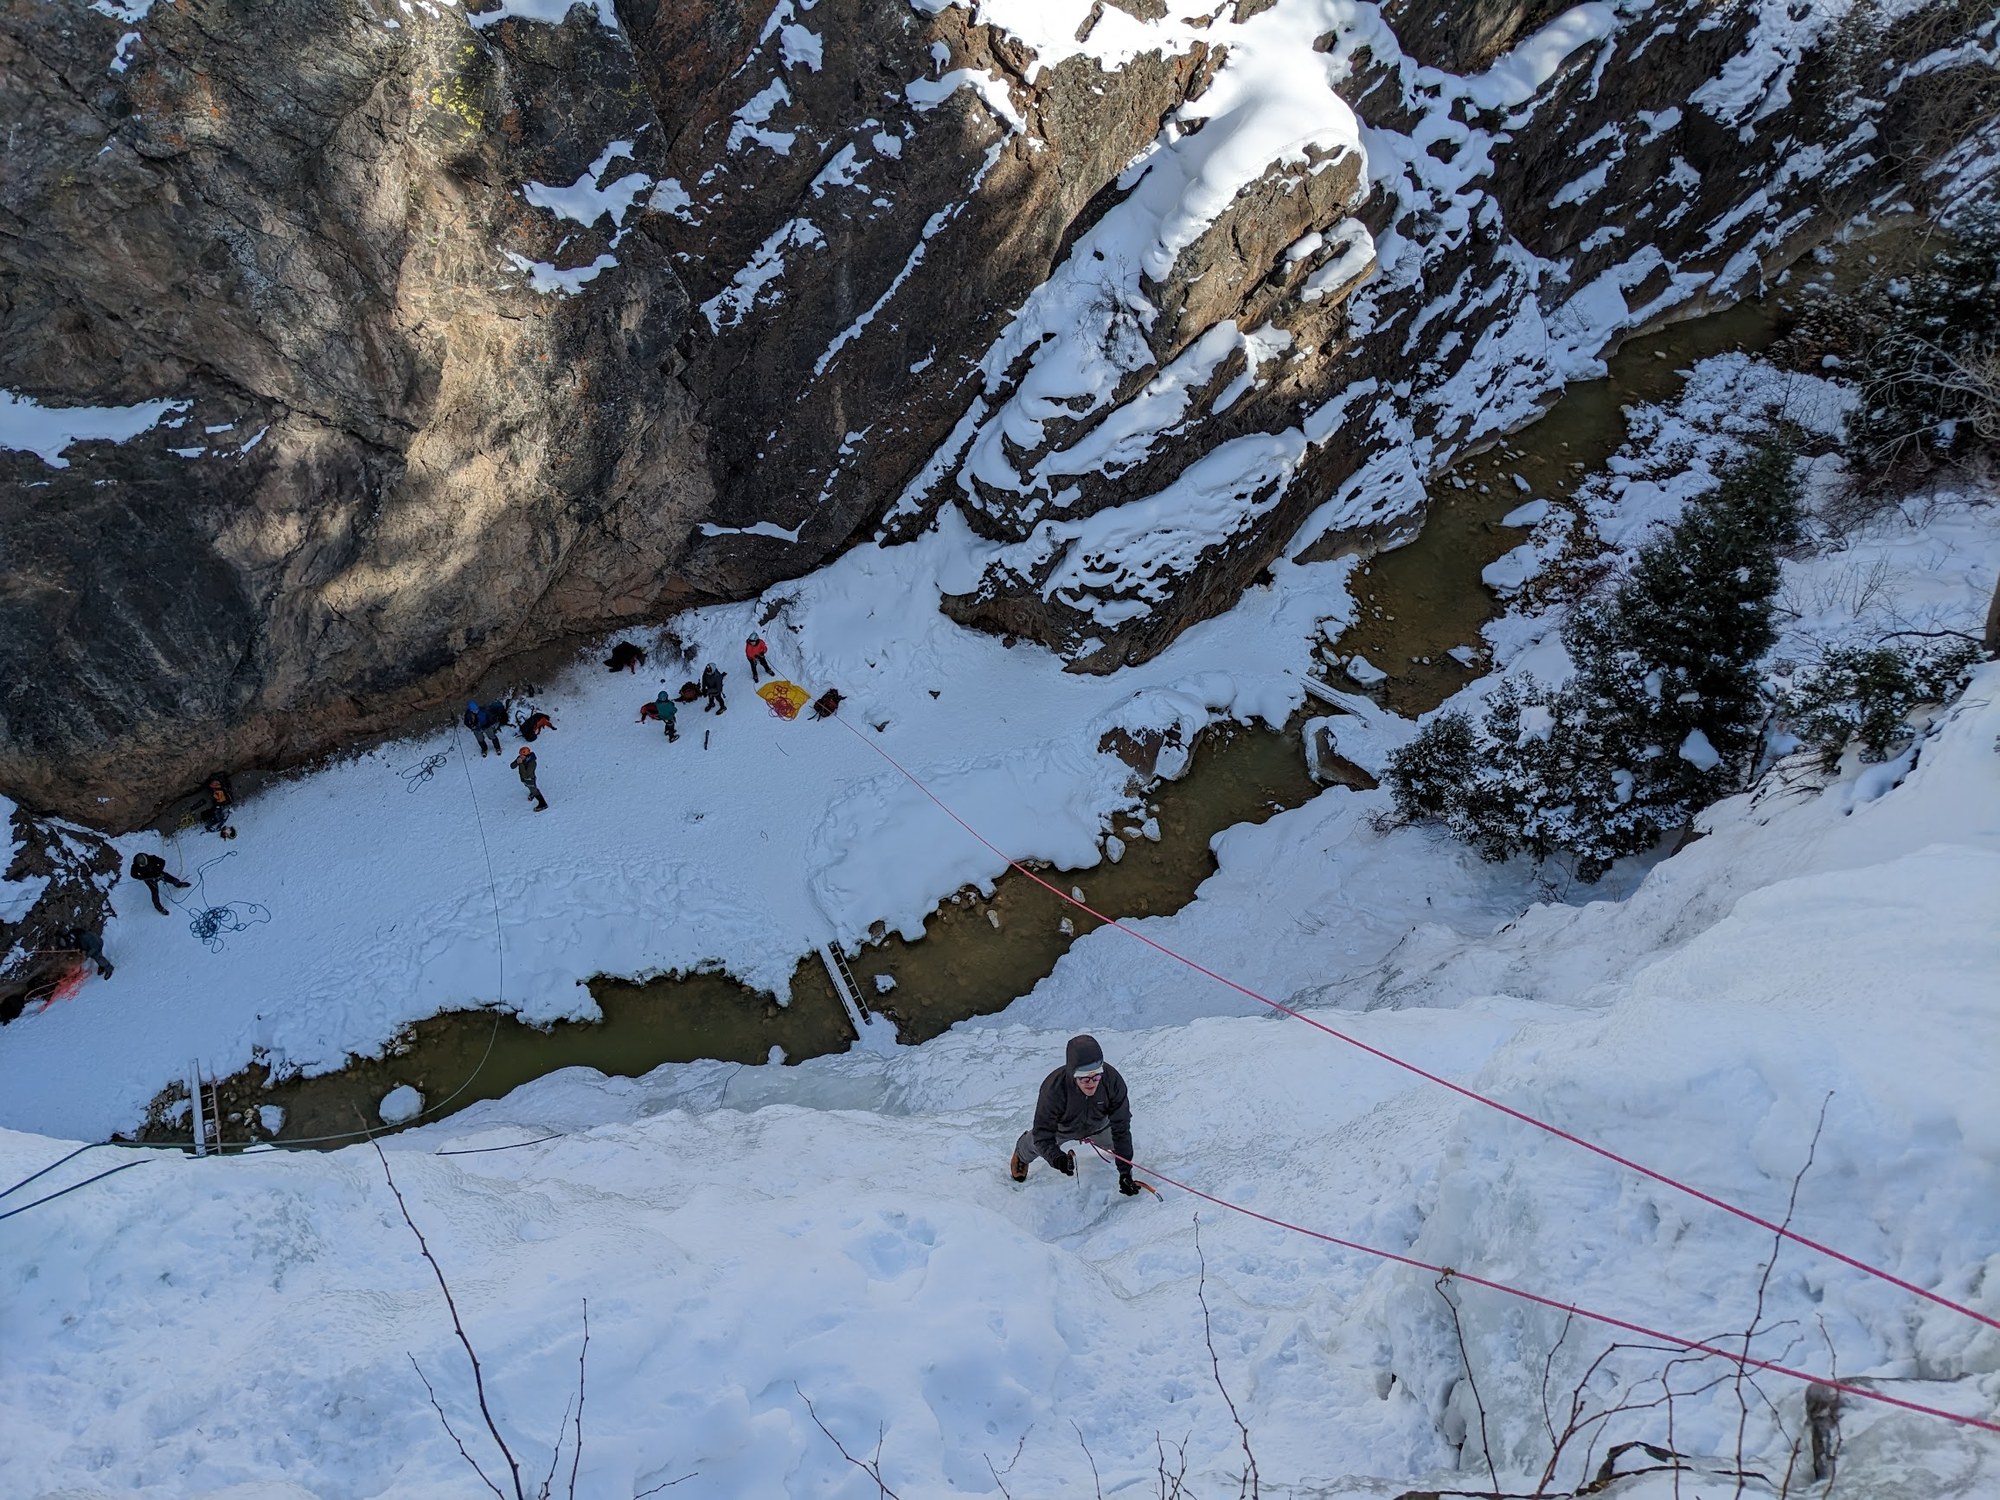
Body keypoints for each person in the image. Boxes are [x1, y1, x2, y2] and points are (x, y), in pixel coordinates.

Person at [1011, 1034, 1140, 1195]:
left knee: (1117, 1142)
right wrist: (1058, 1159)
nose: (1092, 1083)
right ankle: (1021, 1153)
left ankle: (1114, 1152)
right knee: (1036, 1142)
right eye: (1085, 1079)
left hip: (1100, 1125)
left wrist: (1125, 1173)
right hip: (1063, 1128)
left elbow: (1121, 1127)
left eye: (1096, 1076)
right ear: (1073, 1074)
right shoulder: (1054, 1088)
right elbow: (1043, 1134)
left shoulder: (1112, 1081)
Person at [129, 851, 191, 916]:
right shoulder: (135, 867)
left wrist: (159, 871)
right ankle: (159, 907)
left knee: (171, 879)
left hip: (159, 874)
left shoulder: (152, 857)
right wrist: (145, 877)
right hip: (149, 880)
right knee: (154, 893)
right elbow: (133, 875)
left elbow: (162, 861)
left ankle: (179, 884)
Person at [201, 774, 237, 839]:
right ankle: (218, 783)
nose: (228, 828)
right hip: (217, 808)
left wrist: (218, 808)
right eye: (230, 829)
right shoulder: (221, 823)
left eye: (229, 830)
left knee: (222, 797)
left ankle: (215, 783)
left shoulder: (216, 827)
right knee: (226, 797)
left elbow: (215, 817)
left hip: (212, 812)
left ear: (226, 834)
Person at [512, 746, 548, 811]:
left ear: (527, 755)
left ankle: (543, 803)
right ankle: (532, 793)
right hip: (524, 779)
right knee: (529, 787)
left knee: (534, 790)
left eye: (522, 755)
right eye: (520, 755)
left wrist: (520, 764)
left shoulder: (532, 763)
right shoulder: (521, 758)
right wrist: (517, 762)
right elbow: (512, 766)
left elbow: (526, 775)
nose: (520, 756)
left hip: (530, 779)